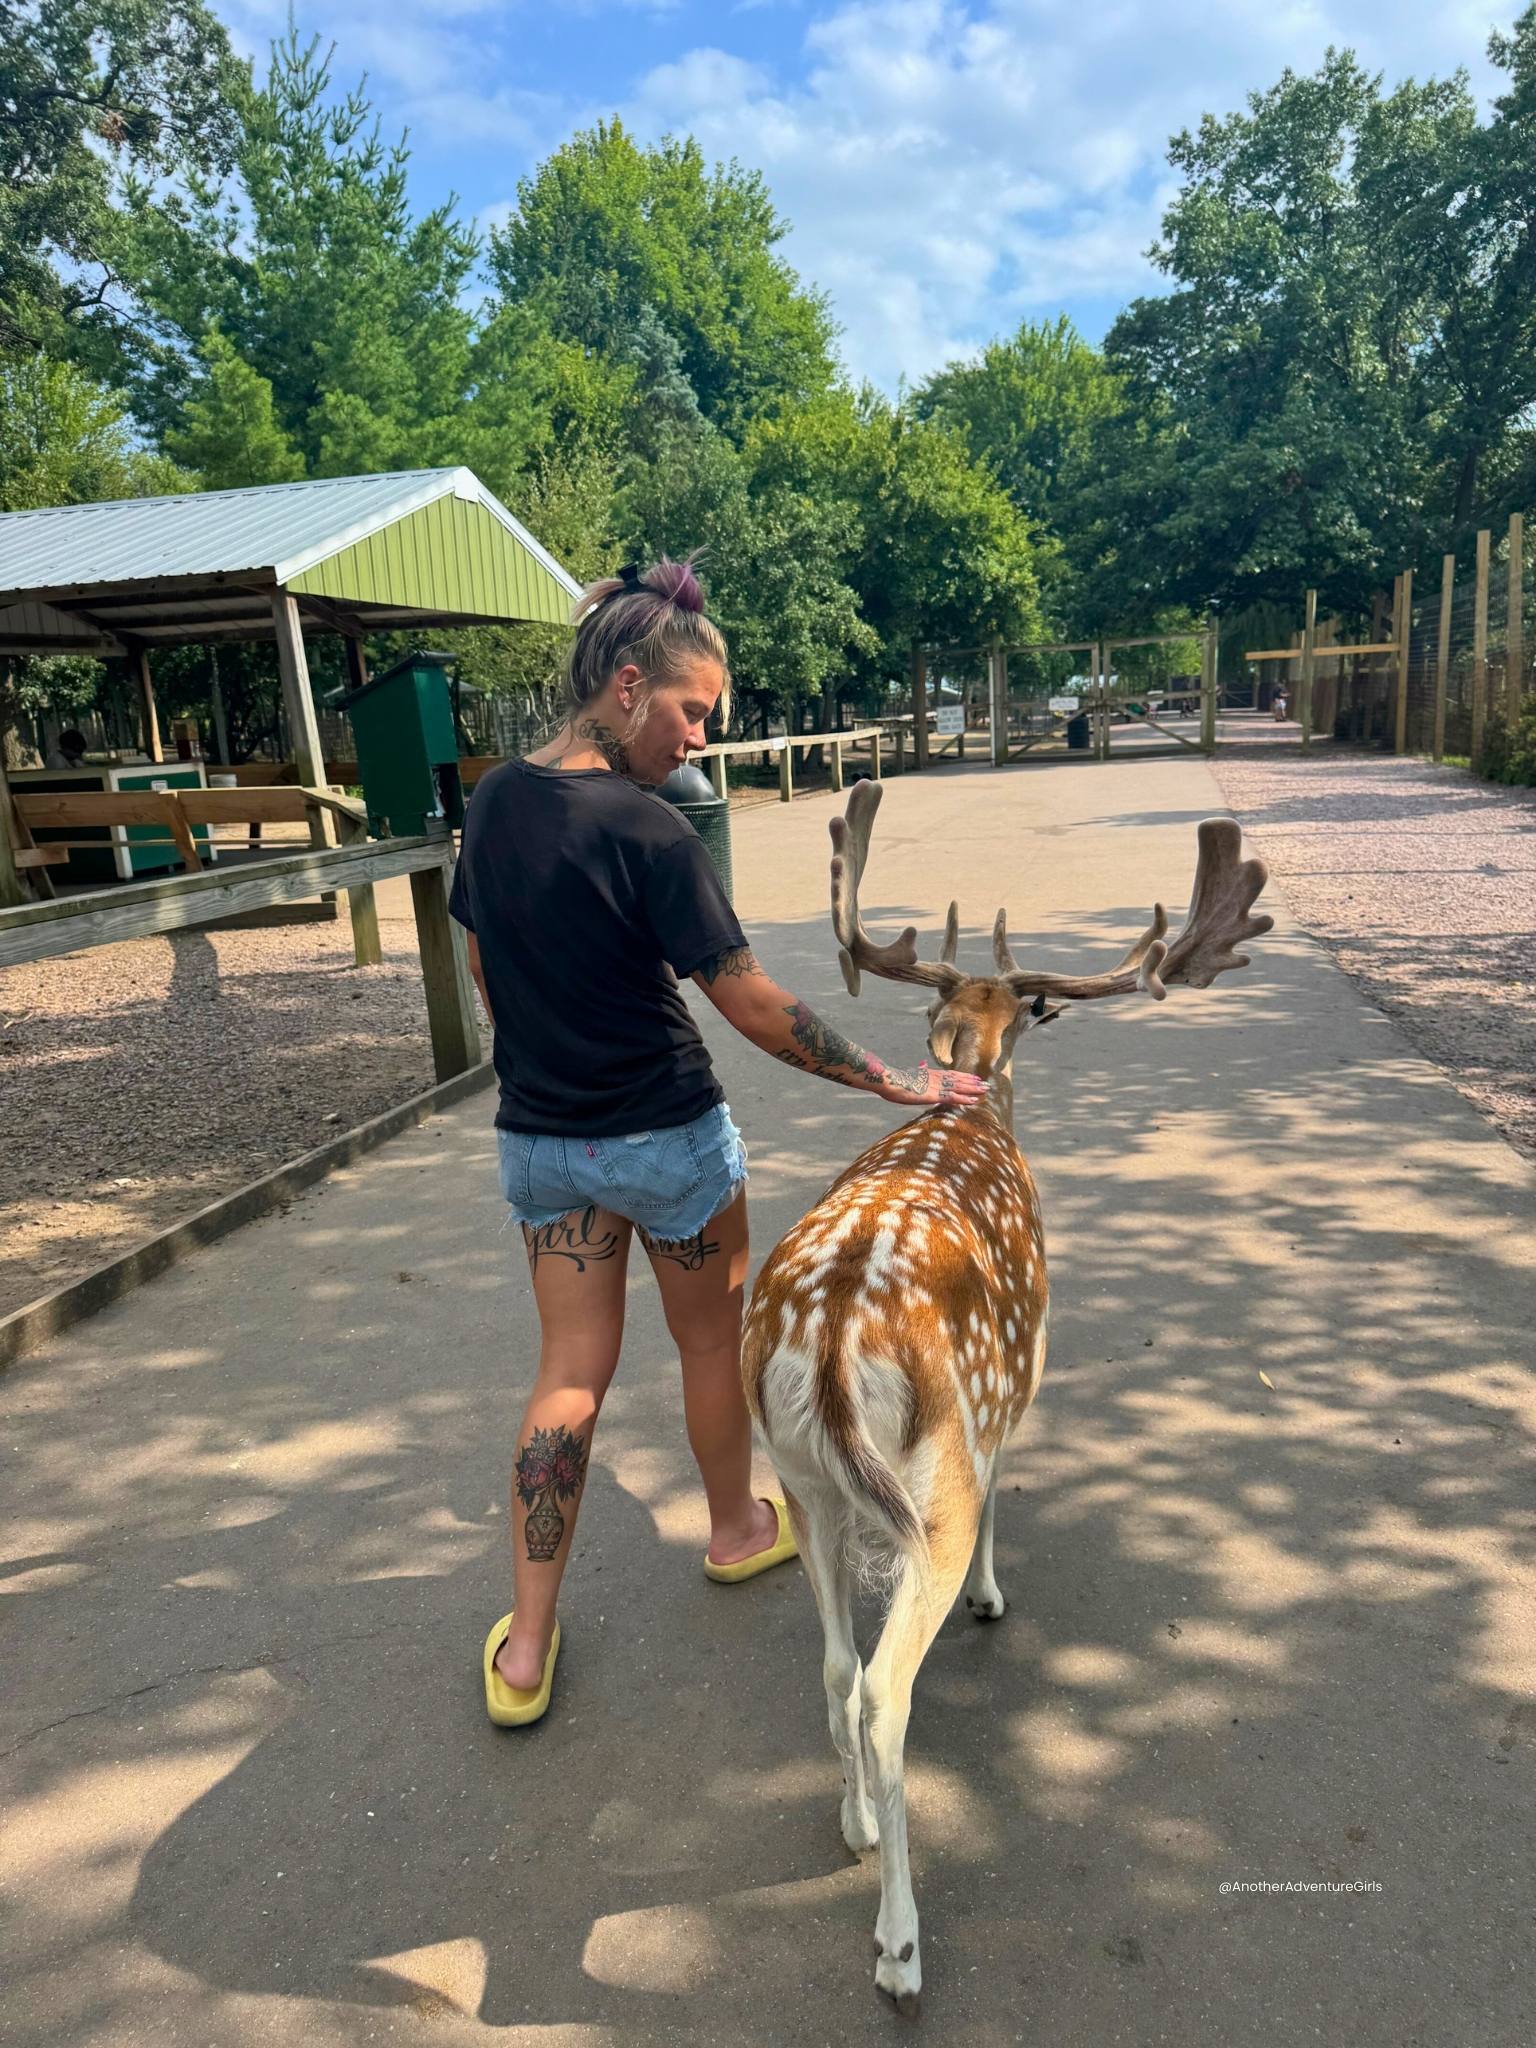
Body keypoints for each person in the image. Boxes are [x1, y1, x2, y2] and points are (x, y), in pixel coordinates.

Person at [450, 557, 987, 1727]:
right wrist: (896, 1082)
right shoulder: (650, 831)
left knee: (568, 1375)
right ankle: (739, 1527)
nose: (694, 741)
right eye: (692, 712)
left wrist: (538, 1055)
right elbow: (748, 1004)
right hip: (670, 1142)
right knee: (708, 1348)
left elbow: (484, 957)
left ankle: (527, 1645)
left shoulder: (492, 799)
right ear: (629, 685)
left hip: (547, 1146)